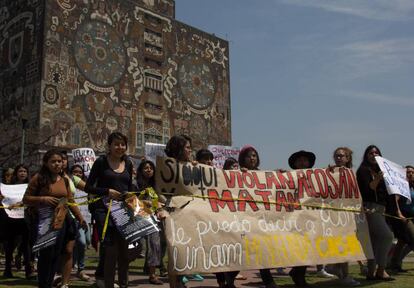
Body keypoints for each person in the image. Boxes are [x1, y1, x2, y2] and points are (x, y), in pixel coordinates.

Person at [23, 149, 86, 288]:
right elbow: (26, 199)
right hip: (43, 222)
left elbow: (70, 200)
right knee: (46, 255)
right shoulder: (38, 178)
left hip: (60, 222)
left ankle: (49, 282)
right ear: (46, 163)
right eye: (53, 162)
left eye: (59, 161)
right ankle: (43, 284)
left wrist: (80, 218)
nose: (57, 164)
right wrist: (43, 199)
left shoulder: (64, 179)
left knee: (56, 255)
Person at [85, 132, 134, 288]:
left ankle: (124, 283)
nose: (120, 147)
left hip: (124, 211)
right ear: (109, 146)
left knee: (125, 250)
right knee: (110, 249)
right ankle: (107, 283)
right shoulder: (101, 162)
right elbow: (88, 186)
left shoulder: (128, 162)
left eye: (122, 144)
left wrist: (130, 195)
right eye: (116, 144)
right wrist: (107, 191)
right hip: (103, 211)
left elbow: (130, 185)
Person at [287, 150, 334, 286]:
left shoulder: (316, 177)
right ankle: (298, 274)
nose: (302, 162)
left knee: (310, 247)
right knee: (300, 247)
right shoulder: (287, 176)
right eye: (299, 160)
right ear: (294, 163)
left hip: (311, 218)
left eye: (305, 160)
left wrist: (331, 174)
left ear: (309, 163)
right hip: (293, 218)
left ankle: (297, 272)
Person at [164, 135, 204, 288]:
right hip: (172, 213)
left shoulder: (191, 166)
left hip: (188, 214)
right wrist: (164, 207)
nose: (190, 150)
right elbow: (160, 190)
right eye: (187, 147)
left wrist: (195, 169)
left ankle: (180, 281)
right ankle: (175, 284)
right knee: (175, 252)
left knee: (185, 251)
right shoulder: (167, 166)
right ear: (178, 148)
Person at [238, 145, 278, 288]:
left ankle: (268, 280)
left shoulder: (262, 175)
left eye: (254, 155)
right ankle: (228, 280)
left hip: (260, 220)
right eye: (249, 156)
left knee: (262, 250)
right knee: (239, 251)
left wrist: (280, 175)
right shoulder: (236, 174)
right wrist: (239, 174)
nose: (252, 158)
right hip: (242, 220)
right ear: (243, 159)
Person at [356, 145, 395, 281]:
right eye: (371, 153)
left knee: (374, 241)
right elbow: (368, 189)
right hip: (370, 207)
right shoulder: (363, 170)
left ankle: (371, 272)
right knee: (387, 237)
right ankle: (381, 269)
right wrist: (378, 179)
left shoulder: (381, 170)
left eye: (376, 153)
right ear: (366, 155)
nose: (374, 154)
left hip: (381, 208)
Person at [326, 148, 360, 286]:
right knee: (341, 245)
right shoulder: (327, 173)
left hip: (348, 214)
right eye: (336, 156)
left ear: (348, 158)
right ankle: (342, 273)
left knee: (346, 245)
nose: (339, 158)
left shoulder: (352, 174)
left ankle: (337, 270)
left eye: (342, 156)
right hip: (333, 214)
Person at [2, 164, 33, 279]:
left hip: (25, 219)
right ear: (16, 173)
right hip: (11, 220)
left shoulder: (31, 186)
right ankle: (7, 269)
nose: (22, 173)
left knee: (26, 245)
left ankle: (28, 271)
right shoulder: (8, 187)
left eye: (25, 171)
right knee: (9, 245)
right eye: (20, 171)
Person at [136, 160, 164, 285]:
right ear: (141, 170)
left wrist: (159, 208)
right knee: (137, 249)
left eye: (151, 168)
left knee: (155, 244)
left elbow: (157, 202)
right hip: (137, 219)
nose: (149, 170)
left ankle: (153, 274)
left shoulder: (155, 187)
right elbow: (130, 201)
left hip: (152, 219)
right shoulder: (135, 184)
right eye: (146, 168)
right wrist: (144, 204)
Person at [388, 165, 414, 272]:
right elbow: (395, 200)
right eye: (408, 172)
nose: (410, 174)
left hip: (412, 216)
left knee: (402, 241)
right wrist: (399, 213)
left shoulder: (413, 186)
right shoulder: (400, 186)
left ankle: (394, 263)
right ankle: (394, 263)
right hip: (404, 216)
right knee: (412, 239)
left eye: (412, 172)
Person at [70, 164, 91, 281]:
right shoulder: (69, 187)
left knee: (87, 242)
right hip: (75, 219)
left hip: (87, 219)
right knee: (81, 242)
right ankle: (80, 269)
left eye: (80, 172)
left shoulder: (86, 187)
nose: (77, 174)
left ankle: (75, 263)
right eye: (75, 172)